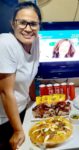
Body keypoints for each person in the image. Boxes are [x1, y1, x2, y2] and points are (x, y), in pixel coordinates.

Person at [0, 2, 42, 150]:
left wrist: (33, 101)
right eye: (22, 23)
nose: (28, 29)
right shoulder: (6, 43)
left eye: (33, 24)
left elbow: (30, 72)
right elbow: (6, 92)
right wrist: (18, 130)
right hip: (5, 119)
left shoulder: (36, 40)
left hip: (22, 109)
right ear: (12, 23)